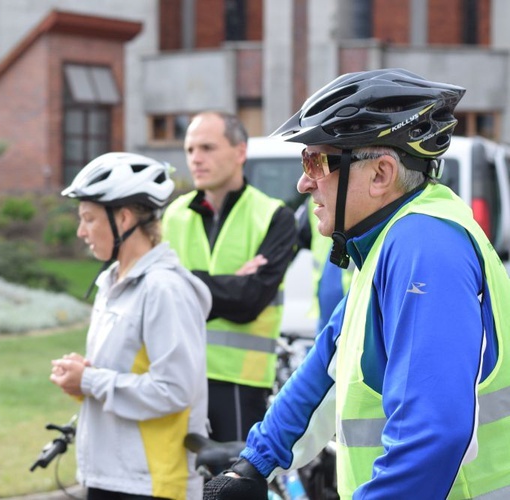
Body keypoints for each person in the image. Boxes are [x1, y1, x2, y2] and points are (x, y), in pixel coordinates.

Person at [204, 68, 510, 500]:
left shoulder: (424, 245)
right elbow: (325, 365)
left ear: (381, 174)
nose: (304, 181)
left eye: (316, 161)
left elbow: (432, 437)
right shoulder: (387, 240)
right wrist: (254, 464)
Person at [50, 152, 211, 500]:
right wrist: (83, 378)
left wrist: (91, 380)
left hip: (151, 484)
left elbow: (173, 390)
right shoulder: (112, 282)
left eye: (89, 219)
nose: (81, 231)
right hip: (110, 476)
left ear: (123, 218)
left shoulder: (164, 289)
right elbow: (127, 372)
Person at [161, 111, 297, 443]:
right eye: (190, 149)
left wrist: (184, 282)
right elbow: (160, 293)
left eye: (207, 148)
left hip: (240, 382)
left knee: (233, 486)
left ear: (240, 152)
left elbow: (250, 300)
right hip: (177, 375)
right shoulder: (174, 215)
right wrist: (229, 285)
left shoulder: (274, 216)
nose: (195, 159)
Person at [295, 196, 353, 332]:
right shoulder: (312, 202)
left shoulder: (364, 197)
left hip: (355, 302)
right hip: (326, 305)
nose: (305, 184)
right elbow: (293, 239)